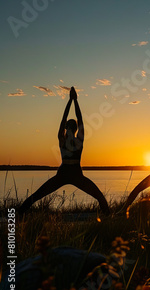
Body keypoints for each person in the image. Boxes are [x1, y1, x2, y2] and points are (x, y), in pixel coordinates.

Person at [18, 87, 110, 215]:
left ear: (74, 129)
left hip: (76, 175)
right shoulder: (64, 139)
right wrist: (72, 101)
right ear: (67, 128)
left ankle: (108, 217)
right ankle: (17, 215)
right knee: (37, 195)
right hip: (63, 174)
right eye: (69, 126)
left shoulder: (76, 140)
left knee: (99, 196)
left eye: (72, 126)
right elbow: (69, 119)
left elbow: (77, 119)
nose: (70, 128)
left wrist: (73, 100)